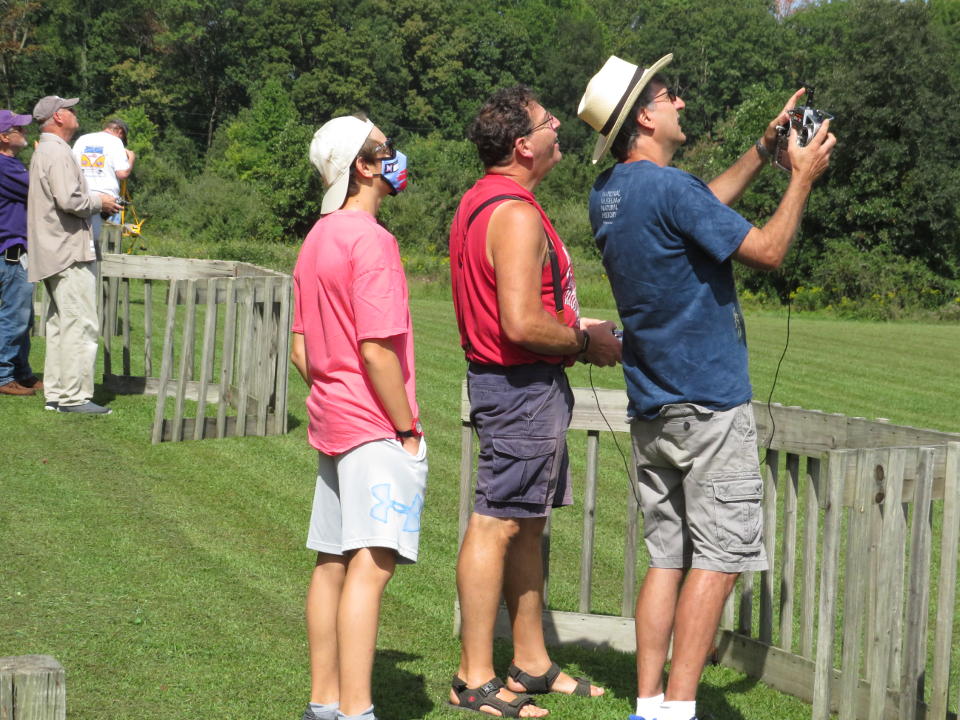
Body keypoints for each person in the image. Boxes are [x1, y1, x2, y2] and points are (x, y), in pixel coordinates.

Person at [578, 55, 836, 720]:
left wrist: (761, 150)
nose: (681, 103)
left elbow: (697, 207)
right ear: (644, 115)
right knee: (717, 562)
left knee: (667, 557)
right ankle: (680, 710)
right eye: (670, 95)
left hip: (652, 405)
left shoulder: (608, 193)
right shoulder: (669, 191)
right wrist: (800, 177)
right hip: (710, 405)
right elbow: (770, 251)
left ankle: (649, 705)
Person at [447, 85, 621, 718]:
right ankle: (474, 677)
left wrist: (581, 330)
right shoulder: (516, 213)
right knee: (496, 521)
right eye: (550, 123)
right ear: (523, 144)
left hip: (518, 386)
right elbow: (520, 324)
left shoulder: (480, 200)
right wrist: (583, 341)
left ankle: (532, 663)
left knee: (526, 523)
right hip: (519, 387)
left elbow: (518, 310)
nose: (559, 131)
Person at [289, 114, 425, 720]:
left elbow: (300, 349)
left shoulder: (316, 238)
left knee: (332, 564)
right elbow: (376, 349)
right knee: (371, 568)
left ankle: (325, 703)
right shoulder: (372, 240)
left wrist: (333, 391)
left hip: (332, 422)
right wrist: (406, 429)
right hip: (374, 427)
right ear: (363, 167)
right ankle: (358, 710)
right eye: (384, 150)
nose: (394, 157)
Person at [27, 95, 121, 414]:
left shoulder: (48, 150)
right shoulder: (56, 151)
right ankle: (74, 397)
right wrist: (101, 202)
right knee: (81, 323)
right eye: (69, 109)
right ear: (57, 117)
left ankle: (56, 394)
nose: (75, 113)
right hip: (67, 251)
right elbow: (70, 200)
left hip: (54, 249)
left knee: (60, 324)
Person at [0, 108, 41, 397]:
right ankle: (4, 375)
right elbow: (39, 190)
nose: (25, 133)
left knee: (23, 317)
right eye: (19, 129)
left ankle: (21, 373)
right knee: (15, 315)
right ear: (4, 137)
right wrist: (43, 161)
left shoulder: (10, 165)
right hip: (11, 252)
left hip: (13, 251)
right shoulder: (6, 167)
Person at [72, 117, 134, 245]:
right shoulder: (116, 141)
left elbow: (71, 168)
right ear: (120, 132)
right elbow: (122, 173)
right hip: (108, 203)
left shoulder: (83, 139)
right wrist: (131, 158)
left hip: (82, 199)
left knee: (83, 242)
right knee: (109, 245)